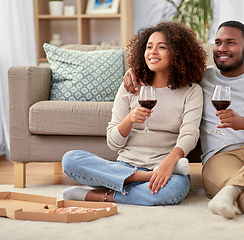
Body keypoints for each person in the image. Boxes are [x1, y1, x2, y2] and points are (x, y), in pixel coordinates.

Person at [123, 20, 244, 227]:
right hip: (221, 157)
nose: (222, 49)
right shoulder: (202, 76)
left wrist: (243, 122)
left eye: (230, 43)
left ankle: (233, 188)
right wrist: (134, 70)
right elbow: (165, 68)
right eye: (218, 43)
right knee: (241, 189)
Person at [61, 21, 207, 206]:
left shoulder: (191, 91)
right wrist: (129, 120)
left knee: (175, 191)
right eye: (149, 46)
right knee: (70, 160)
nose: (153, 52)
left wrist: (169, 163)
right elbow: (113, 143)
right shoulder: (131, 85)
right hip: (125, 166)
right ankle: (145, 178)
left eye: (162, 47)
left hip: (164, 165)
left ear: (178, 53)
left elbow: (190, 133)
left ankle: (100, 195)